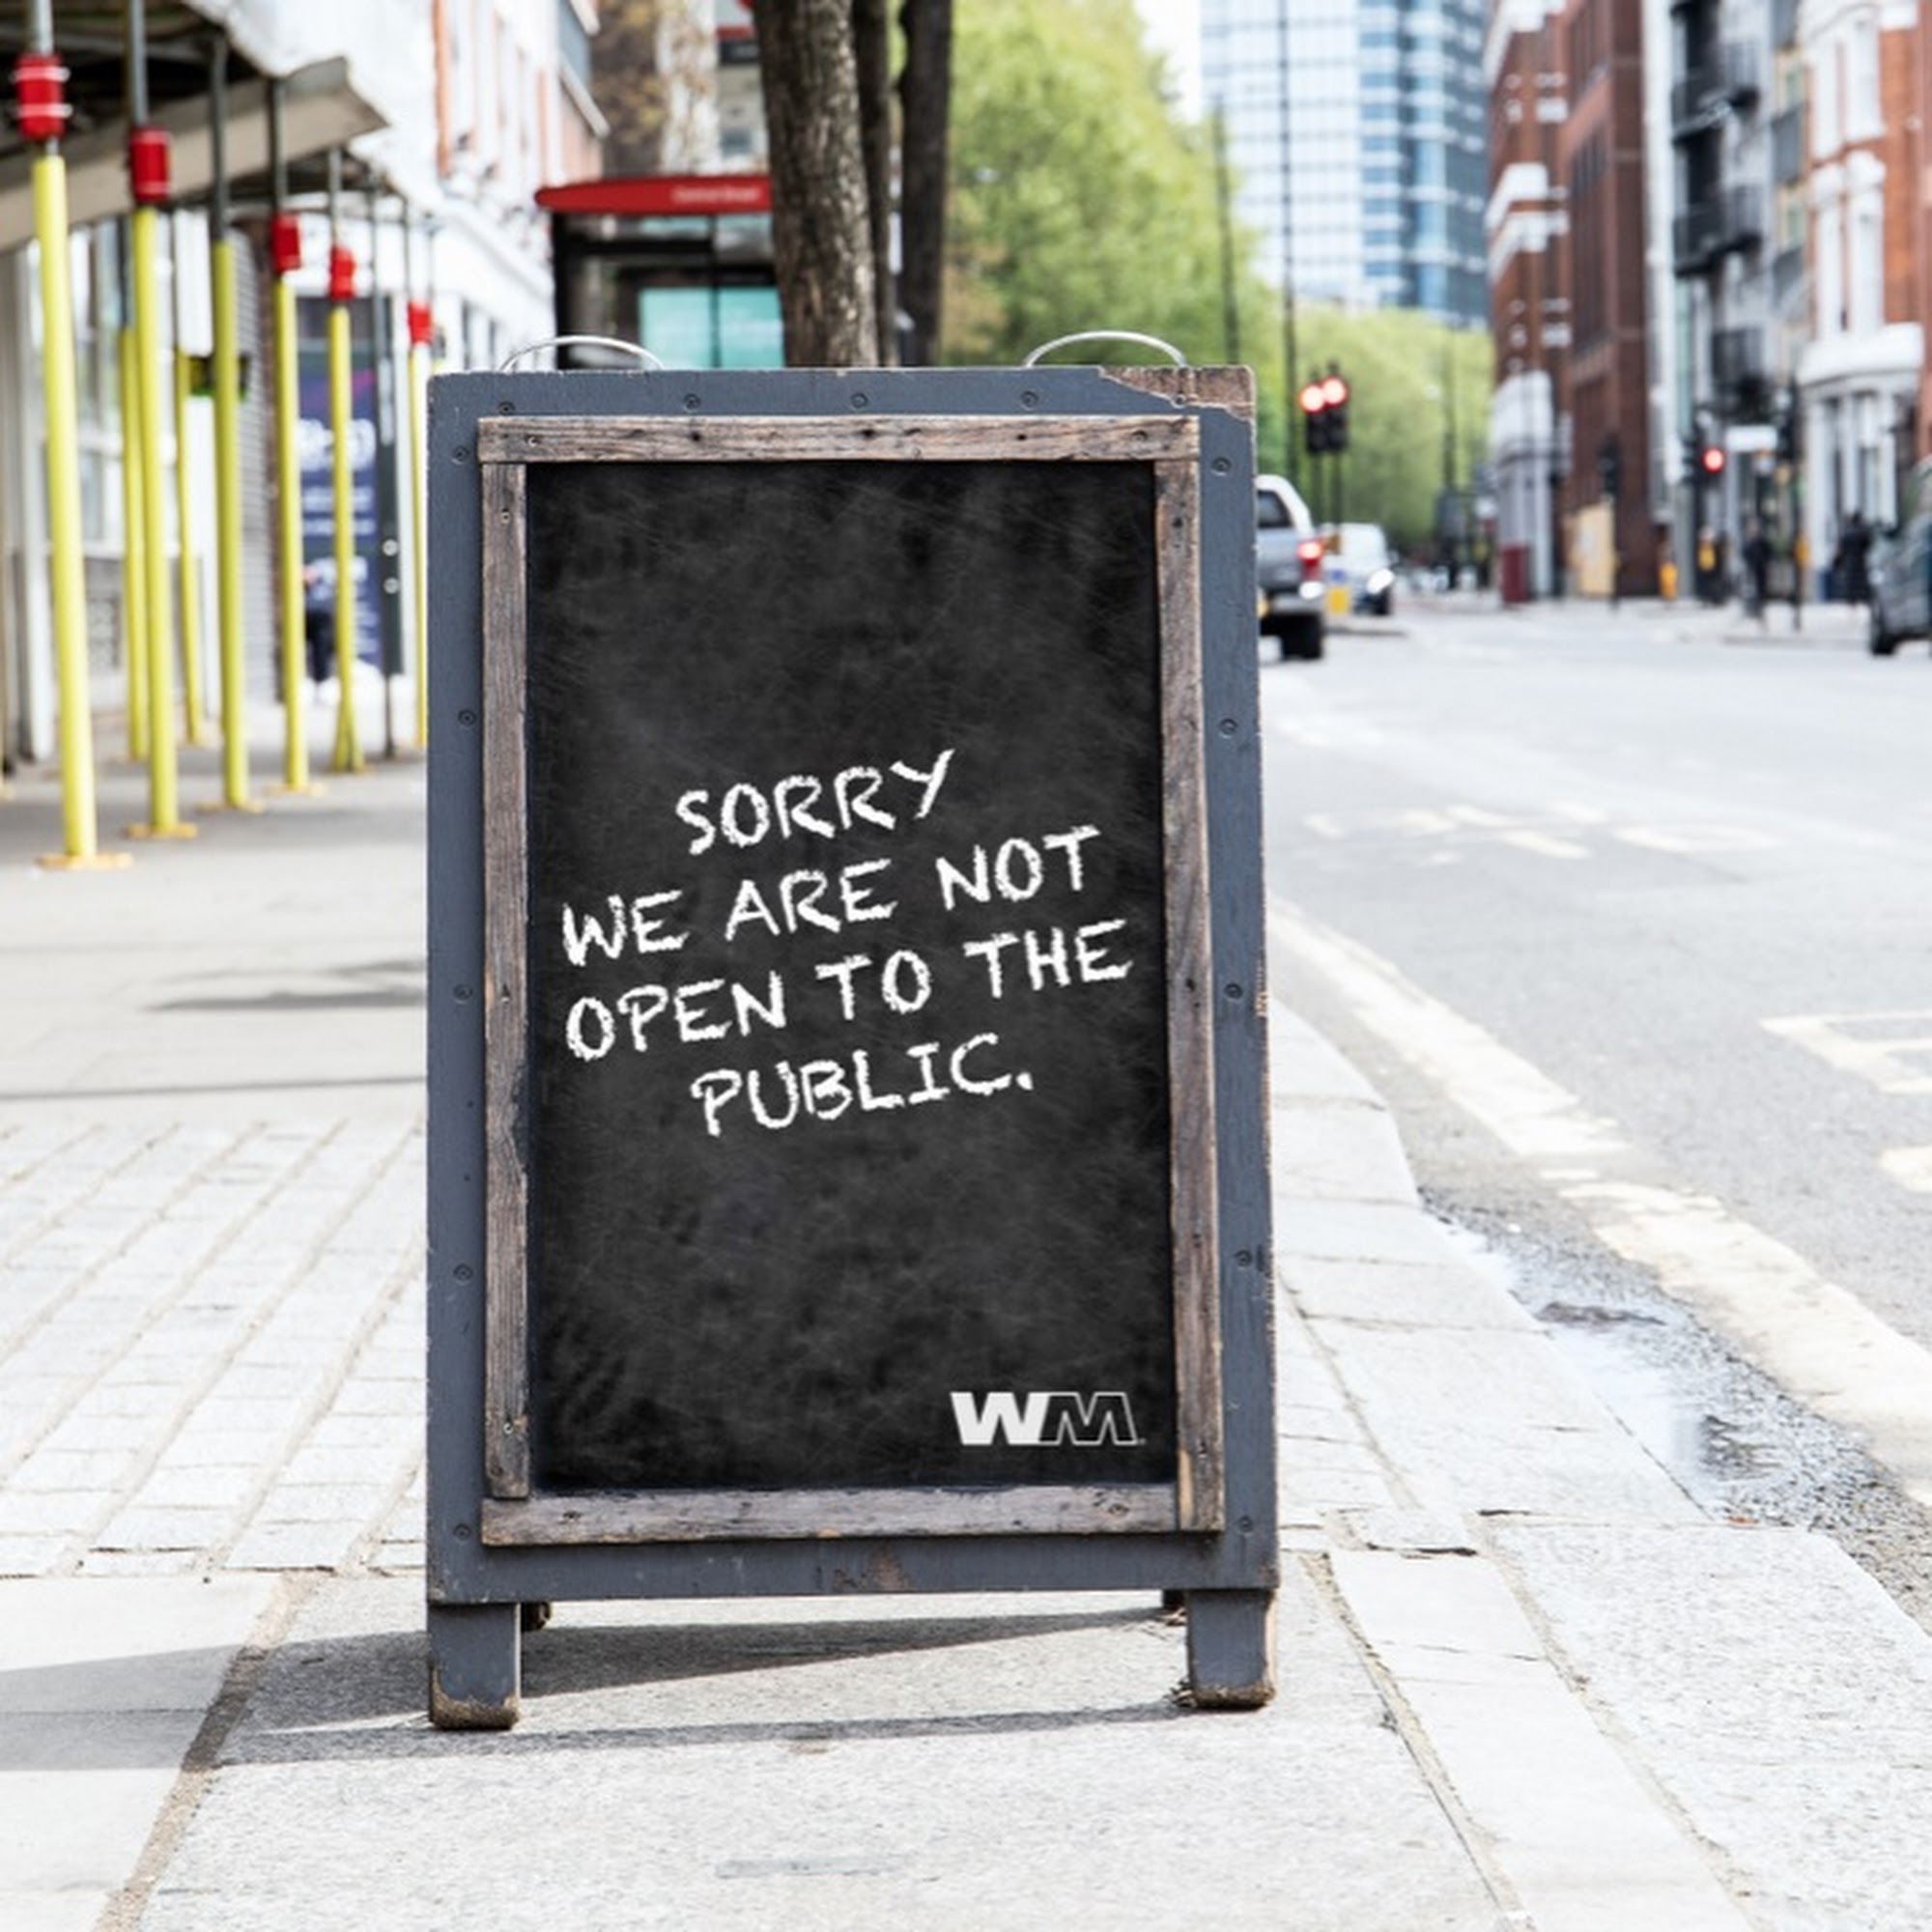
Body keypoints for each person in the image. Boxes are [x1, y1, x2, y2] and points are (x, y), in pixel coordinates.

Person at [1834, 509, 1872, 608]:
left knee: (1850, 583)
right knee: (1860, 582)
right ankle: (1862, 599)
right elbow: (1868, 545)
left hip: (1849, 561)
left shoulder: (1847, 532)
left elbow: (1841, 547)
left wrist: (1839, 561)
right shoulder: (1862, 532)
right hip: (1860, 560)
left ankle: (1852, 601)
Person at [1743, 521, 1772, 625]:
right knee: (1751, 589)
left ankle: (1760, 609)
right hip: (1752, 570)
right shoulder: (1749, 543)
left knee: (1761, 589)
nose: (1753, 531)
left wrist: (1765, 562)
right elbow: (1745, 554)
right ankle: (1754, 609)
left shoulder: (1762, 541)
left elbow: (1768, 553)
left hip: (1761, 569)